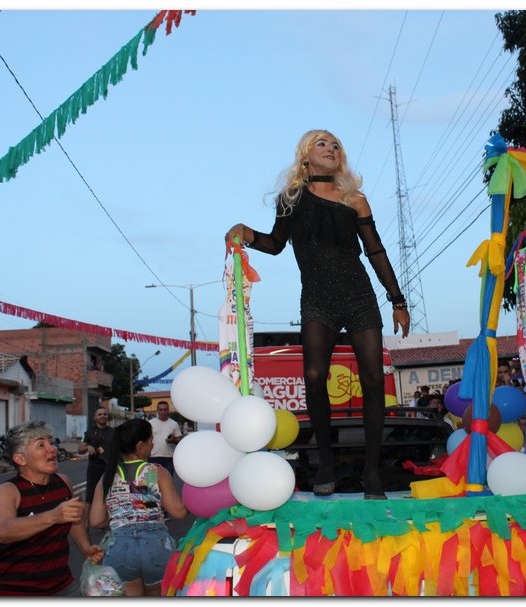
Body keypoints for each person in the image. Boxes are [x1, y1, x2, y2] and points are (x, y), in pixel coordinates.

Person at [226, 129, 410, 499]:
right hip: (317, 298)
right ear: (305, 156)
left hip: (358, 294)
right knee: (313, 374)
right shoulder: (290, 199)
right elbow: (276, 245)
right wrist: (247, 233)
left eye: (337, 144)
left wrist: (398, 300)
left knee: (374, 378)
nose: (331, 148)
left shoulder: (356, 200)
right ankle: (326, 463)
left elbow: (375, 251)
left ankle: (371, 474)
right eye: (322, 144)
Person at [0, 421, 102, 595]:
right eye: (41, 445)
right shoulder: (7, 491)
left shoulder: (63, 482)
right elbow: (2, 531)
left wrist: (85, 547)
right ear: (20, 459)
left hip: (61, 584)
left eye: (51, 442)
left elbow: (73, 520)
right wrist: (53, 516)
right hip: (12, 590)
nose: (52, 449)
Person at [89, 419, 187, 596]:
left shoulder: (109, 475)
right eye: (150, 440)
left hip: (120, 548)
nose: (153, 444)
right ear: (140, 445)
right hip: (155, 545)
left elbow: (95, 521)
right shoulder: (156, 471)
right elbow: (178, 512)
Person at [78, 407, 114, 506]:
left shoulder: (114, 432)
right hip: (94, 468)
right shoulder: (88, 432)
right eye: (100, 414)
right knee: (90, 497)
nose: (102, 416)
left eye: (105, 414)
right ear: (95, 417)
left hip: (109, 468)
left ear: (107, 417)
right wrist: (87, 446)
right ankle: (87, 520)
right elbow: (80, 450)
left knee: (109, 496)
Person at [148, 401, 183, 475]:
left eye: (165, 409)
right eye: (161, 410)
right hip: (153, 458)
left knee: (167, 484)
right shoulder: (150, 423)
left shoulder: (174, 424)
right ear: (157, 411)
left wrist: (173, 440)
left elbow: (180, 441)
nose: (163, 412)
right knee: (152, 482)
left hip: (169, 458)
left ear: (168, 410)